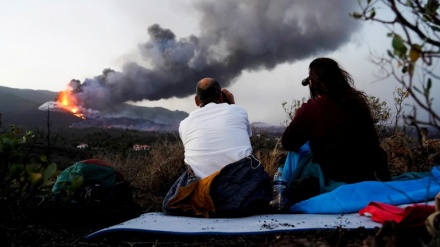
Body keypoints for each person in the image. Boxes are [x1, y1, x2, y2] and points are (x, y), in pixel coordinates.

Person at [281, 57, 391, 204]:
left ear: (312, 83)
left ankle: (284, 194)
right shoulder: (358, 103)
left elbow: (288, 143)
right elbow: (372, 143)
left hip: (333, 174)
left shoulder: (311, 109)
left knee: (297, 151)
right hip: (364, 174)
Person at [162, 78, 272, 218]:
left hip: (203, 198)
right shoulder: (238, 111)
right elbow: (245, 137)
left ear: (196, 101)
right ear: (220, 97)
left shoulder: (184, 123)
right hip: (242, 196)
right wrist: (232, 105)